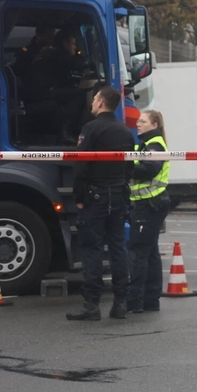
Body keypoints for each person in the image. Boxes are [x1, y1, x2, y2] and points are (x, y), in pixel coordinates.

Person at [67, 86, 135, 321]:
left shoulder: (91, 129)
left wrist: (79, 198)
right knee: (117, 248)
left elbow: (80, 165)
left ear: (101, 103)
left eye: (95, 98)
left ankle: (92, 305)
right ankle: (120, 303)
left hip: (95, 197)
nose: (92, 102)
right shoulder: (125, 131)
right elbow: (129, 166)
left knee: (92, 250)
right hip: (117, 195)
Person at [126, 110, 171, 313]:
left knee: (138, 252)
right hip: (149, 203)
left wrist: (126, 167)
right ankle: (151, 300)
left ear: (154, 125)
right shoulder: (145, 143)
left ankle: (135, 301)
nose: (138, 123)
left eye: (142, 121)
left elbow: (149, 169)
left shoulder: (155, 144)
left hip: (149, 204)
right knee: (150, 252)